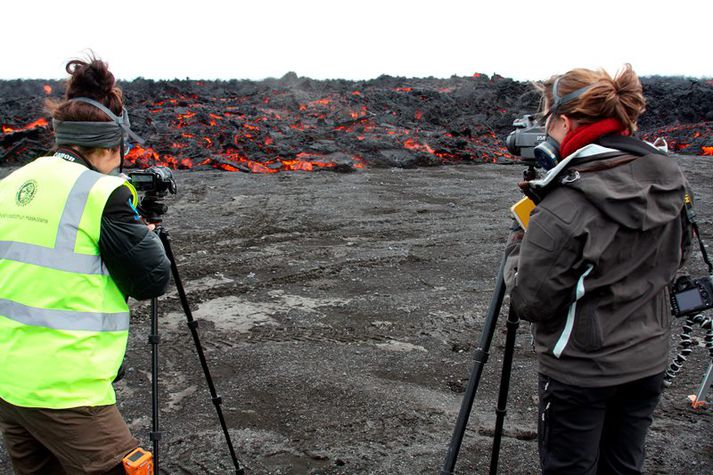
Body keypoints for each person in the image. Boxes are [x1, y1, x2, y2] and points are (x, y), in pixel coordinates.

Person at [505, 64, 692, 474]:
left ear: (565, 121)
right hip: (647, 362)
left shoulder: (565, 203)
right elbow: (677, 257)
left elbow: (532, 300)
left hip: (582, 373)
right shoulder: (667, 179)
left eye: (547, 122)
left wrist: (518, 248)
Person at [0, 56, 171, 474]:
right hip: (67, 391)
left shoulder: (11, 183)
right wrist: (143, 231)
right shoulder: (103, 194)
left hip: (10, 381)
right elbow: (151, 279)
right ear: (113, 144)